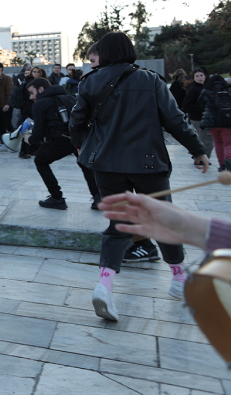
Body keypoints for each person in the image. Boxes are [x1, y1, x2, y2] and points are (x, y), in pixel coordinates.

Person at [69, 32, 209, 323]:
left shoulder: (89, 81)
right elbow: (175, 119)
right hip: (147, 164)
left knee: (119, 223)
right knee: (163, 218)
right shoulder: (150, 80)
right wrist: (197, 150)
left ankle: (104, 284)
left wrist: (82, 145)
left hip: (106, 164)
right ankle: (178, 278)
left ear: (104, 53)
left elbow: (76, 121)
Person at [25, 77, 101, 209]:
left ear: (41, 89)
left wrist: (29, 139)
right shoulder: (68, 97)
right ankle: (98, 198)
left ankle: (57, 198)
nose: (31, 97)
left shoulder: (40, 104)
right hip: (79, 139)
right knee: (85, 165)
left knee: (40, 161)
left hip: (60, 141)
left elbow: (38, 134)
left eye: (32, 93)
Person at [199, 73, 231, 171]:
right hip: (227, 120)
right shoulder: (228, 90)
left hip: (211, 122)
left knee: (218, 142)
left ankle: (221, 164)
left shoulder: (206, 91)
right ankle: (229, 158)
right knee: (228, 143)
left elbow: (200, 103)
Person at [183, 67, 213, 162]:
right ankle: (202, 159)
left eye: (201, 75)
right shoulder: (194, 89)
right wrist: (201, 110)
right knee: (206, 140)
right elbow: (186, 105)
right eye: (197, 76)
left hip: (204, 117)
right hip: (198, 118)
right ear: (194, 78)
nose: (200, 77)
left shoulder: (206, 87)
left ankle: (200, 157)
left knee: (203, 140)